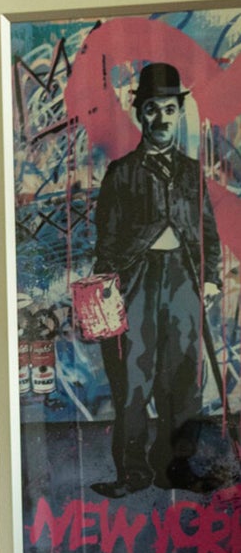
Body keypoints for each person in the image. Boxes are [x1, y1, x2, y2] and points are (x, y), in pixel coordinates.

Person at [89, 60, 221, 497]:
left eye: (169, 109)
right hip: (137, 282)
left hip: (184, 280)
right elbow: (107, 238)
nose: (161, 119)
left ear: (178, 113)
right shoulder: (122, 172)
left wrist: (210, 279)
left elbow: (207, 231)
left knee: (183, 378)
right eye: (152, 110)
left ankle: (177, 469)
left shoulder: (190, 172)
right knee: (133, 377)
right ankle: (132, 473)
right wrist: (108, 289)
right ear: (139, 114)